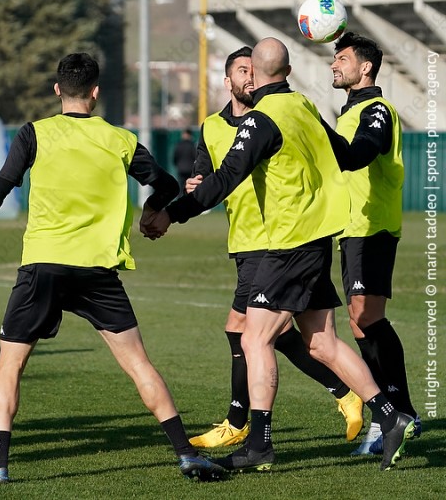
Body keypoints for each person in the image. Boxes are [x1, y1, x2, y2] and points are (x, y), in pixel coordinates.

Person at [0, 53, 225, 484]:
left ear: (57, 90)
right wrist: (152, 209)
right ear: (95, 92)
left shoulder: (34, 133)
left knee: (10, 366)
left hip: (43, 266)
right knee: (139, 364)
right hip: (97, 270)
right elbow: (165, 184)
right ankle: (186, 454)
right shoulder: (120, 139)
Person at [141, 38, 413, 472]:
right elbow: (343, 156)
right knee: (322, 342)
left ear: (257, 72)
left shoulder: (262, 119)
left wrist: (171, 214)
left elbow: (226, 178)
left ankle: (259, 445)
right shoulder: (304, 105)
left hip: (288, 242)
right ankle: (390, 415)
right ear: (287, 71)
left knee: (254, 338)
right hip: (318, 237)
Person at [185, 47, 363, 449]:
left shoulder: (272, 117)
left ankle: (239, 423)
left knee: (245, 331)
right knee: (287, 335)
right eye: (241, 71)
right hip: (243, 239)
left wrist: (173, 213)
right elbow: (205, 173)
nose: (249, 77)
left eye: (253, 70)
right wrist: (195, 185)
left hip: (274, 241)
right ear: (227, 81)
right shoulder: (212, 127)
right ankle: (350, 394)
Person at [328, 32, 420, 454]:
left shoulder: (376, 109)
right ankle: (395, 414)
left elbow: (360, 153)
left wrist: (317, 127)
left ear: (365, 67)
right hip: (351, 229)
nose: (334, 65)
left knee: (367, 317)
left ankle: (399, 413)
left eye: (343, 58)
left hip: (373, 226)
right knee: (358, 320)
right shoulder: (350, 111)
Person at [172, 128, 196, 194]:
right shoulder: (192, 145)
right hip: (190, 169)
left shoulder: (179, 145)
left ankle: (181, 198)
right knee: (190, 187)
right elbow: (195, 157)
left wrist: (177, 165)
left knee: (181, 186)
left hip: (181, 169)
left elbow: (175, 157)